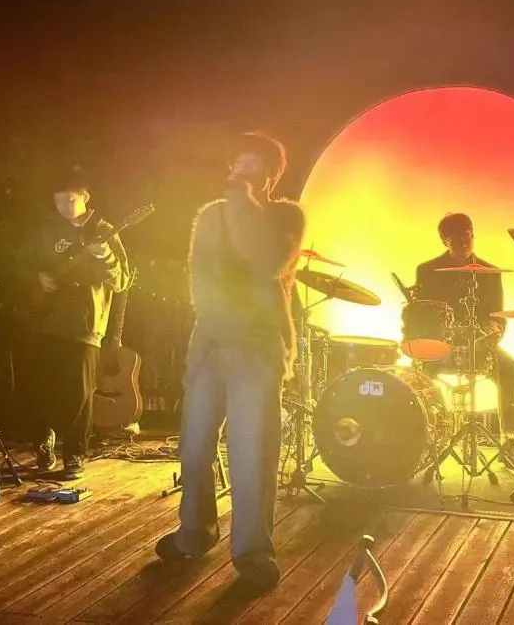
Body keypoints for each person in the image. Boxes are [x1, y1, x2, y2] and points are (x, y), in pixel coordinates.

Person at [155, 132, 305, 597]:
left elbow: (266, 260)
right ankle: (194, 533)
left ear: (272, 175)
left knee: (251, 452)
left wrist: (241, 203)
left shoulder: (285, 216)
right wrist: (210, 326)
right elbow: (198, 275)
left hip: (257, 343)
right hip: (211, 339)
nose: (241, 172)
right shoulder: (210, 215)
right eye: (237, 164)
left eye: (252, 165)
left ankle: (253, 553)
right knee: (194, 447)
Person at [19, 165, 131, 478]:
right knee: (41, 387)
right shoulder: (44, 230)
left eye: (70, 200)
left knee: (79, 394)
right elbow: (20, 264)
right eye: (59, 201)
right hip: (44, 319)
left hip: (84, 325)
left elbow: (122, 280)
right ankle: (43, 442)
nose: (64, 207)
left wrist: (104, 254)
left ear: (85, 197)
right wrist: (37, 277)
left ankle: (75, 454)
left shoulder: (104, 230)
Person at [413, 212, 514, 433]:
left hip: (478, 344)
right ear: (445, 240)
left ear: (473, 234)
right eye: (456, 237)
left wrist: (493, 331)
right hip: (440, 344)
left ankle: (510, 438)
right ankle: (426, 434)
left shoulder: (490, 272)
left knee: (510, 371)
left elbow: (497, 315)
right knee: (418, 378)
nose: (464, 242)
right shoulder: (427, 271)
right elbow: (421, 314)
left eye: (467, 235)